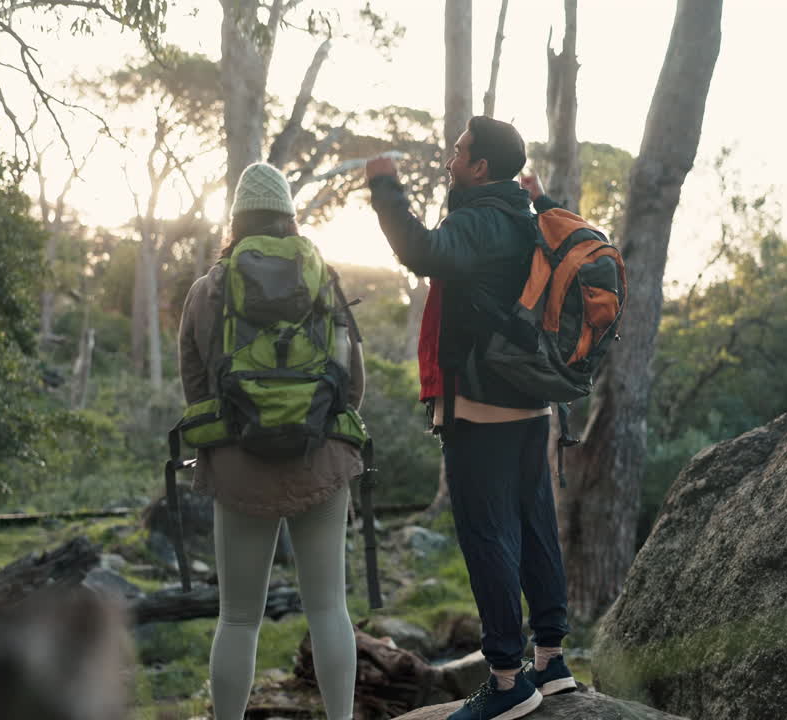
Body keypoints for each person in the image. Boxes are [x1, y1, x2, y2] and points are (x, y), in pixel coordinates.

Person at [364, 116, 576, 720]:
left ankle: (507, 680)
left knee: (488, 537)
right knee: (534, 526)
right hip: (532, 401)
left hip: (480, 403)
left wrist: (386, 190)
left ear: (480, 167)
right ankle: (551, 661)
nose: (451, 159)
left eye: (459, 152)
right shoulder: (527, 216)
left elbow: (421, 252)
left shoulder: (479, 218)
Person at [178, 162, 364, 720]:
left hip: (239, 467)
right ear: (289, 217)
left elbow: (195, 389)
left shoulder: (207, 290)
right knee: (329, 609)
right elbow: (352, 384)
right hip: (321, 459)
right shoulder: (324, 278)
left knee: (238, 617)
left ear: (236, 221)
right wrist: (311, 420)